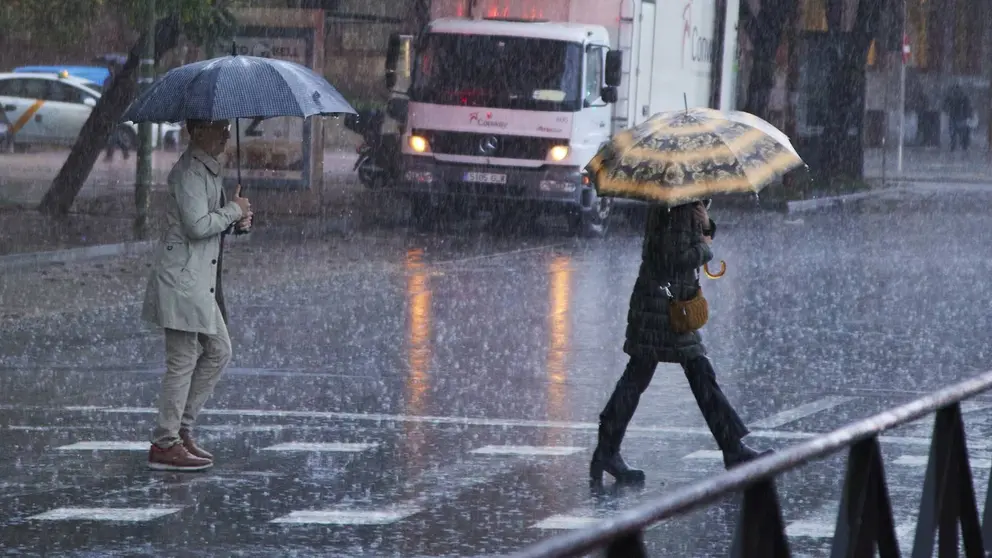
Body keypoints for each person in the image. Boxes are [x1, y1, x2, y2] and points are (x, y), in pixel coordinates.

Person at [590, 200, 769, 485]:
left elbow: (675, 247)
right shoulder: (679, 205)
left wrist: (706, 224)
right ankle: (732, 449)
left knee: (643, 375)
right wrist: (706, 247)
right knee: (696, 373)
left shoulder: (680, 203)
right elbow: (673, 259)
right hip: (664, 307)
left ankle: (607, 450)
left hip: (660, 302)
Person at [142, 119, 252, 471]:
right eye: (219, 128)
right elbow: (197, 225)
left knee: (219, 350)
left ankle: (181, 428)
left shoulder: (209, 172)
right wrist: (232, 211)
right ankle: (165, 441)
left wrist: (238, 220)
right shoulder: (190, 172)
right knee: (183, 359)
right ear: (197, 132)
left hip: (197, 282)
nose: (226, 133)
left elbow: (210, 224)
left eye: (225, 127)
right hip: (182, 281)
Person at [943, 85, 973, 152]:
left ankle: (958, 146)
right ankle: (961, 146)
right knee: (958, 133)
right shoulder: (963, 98)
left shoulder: (955, 98)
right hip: (958, 118)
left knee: (956, 134)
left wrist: (968, 114)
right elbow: (968, 108)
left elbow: (945, 106)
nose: (957, 92)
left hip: (957, 118)